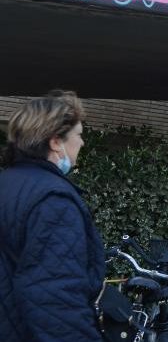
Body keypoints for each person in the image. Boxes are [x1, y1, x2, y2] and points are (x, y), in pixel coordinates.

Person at [0, 91, 105, 341]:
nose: (82, 143)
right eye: (79, 135)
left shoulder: (7, 183)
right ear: (56, 142)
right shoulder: (53, 200)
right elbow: (56, 297)